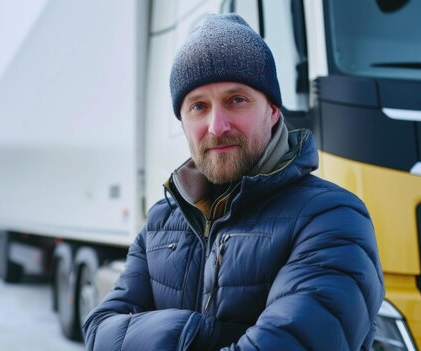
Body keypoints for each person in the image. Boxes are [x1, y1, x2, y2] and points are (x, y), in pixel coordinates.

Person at [83, 13, 384, 351]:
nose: (216, 126)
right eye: (198, 106)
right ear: (182, 123)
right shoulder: (161, 221)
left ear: (272, 111)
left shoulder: (332, 217)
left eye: (236, 100)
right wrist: (197, 332)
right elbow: (99, 331)